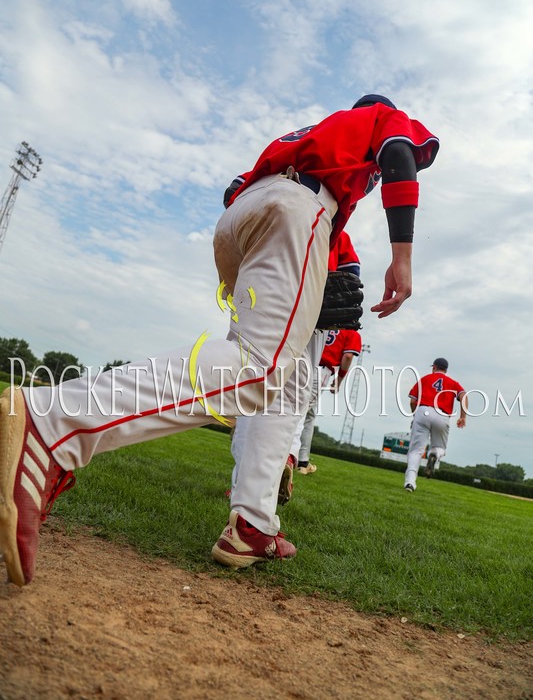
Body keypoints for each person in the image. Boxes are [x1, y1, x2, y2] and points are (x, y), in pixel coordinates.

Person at [0, 94, 439, 585]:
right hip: (298, 209)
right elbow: (399, 152)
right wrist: (402, 258)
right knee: (257, 370)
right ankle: (51, 421)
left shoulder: (307, 139)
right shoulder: (375, 118)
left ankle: (254, 523)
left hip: (244, 218)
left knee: (280, 382)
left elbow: (235, 188)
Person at [229, 230, 360, 504]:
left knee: (252, 399)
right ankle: (288, 459)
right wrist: (340, 380)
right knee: (295, 411)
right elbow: (351, 278)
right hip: (313, 331)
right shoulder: (334, 227)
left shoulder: (271, 210)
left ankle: (241, 484)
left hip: (264, 304)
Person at [296, 327, 362, 475]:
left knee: (308, 414)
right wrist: (339, 380)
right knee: (299, 413)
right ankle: (287, 457)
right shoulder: (352, 332)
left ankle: (302, 460)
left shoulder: (327, 321)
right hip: (320, 371)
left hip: (301, 363)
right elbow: (348, 356)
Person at [404, 358, 467, 492]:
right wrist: (463, 417)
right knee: (440, 448)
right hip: (442, 415)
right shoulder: (452, 383)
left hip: (423, 411)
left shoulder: (424, 379)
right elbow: (464, 396)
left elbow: (413, 401)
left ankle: (410, 483)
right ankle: (434, 454)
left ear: (434, 367)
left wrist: (415, 416)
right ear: (446, 370)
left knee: (415, 451)